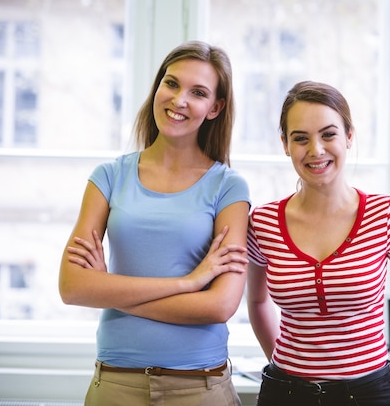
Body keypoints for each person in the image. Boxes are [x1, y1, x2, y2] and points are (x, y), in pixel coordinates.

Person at [58, 40, 250, 406]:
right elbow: (72, 287)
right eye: (172, 83)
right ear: (158, 87)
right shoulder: (110, 176)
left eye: (198, 92)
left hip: (200, 387)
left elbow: (220, 306)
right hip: (116, 385)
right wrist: (189, 282)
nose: (179, 100)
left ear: (215, 108)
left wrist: (108, 290)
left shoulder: (229, 187)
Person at [246, 81, 390, 406]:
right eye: (300, 138)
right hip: (285, 394)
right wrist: (285, 366)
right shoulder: (262, 223)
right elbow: (258, 303)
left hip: (368, 393)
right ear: (285, 144)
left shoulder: (387, 213)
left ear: (349, 136)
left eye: (328, 134)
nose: (316, 149)